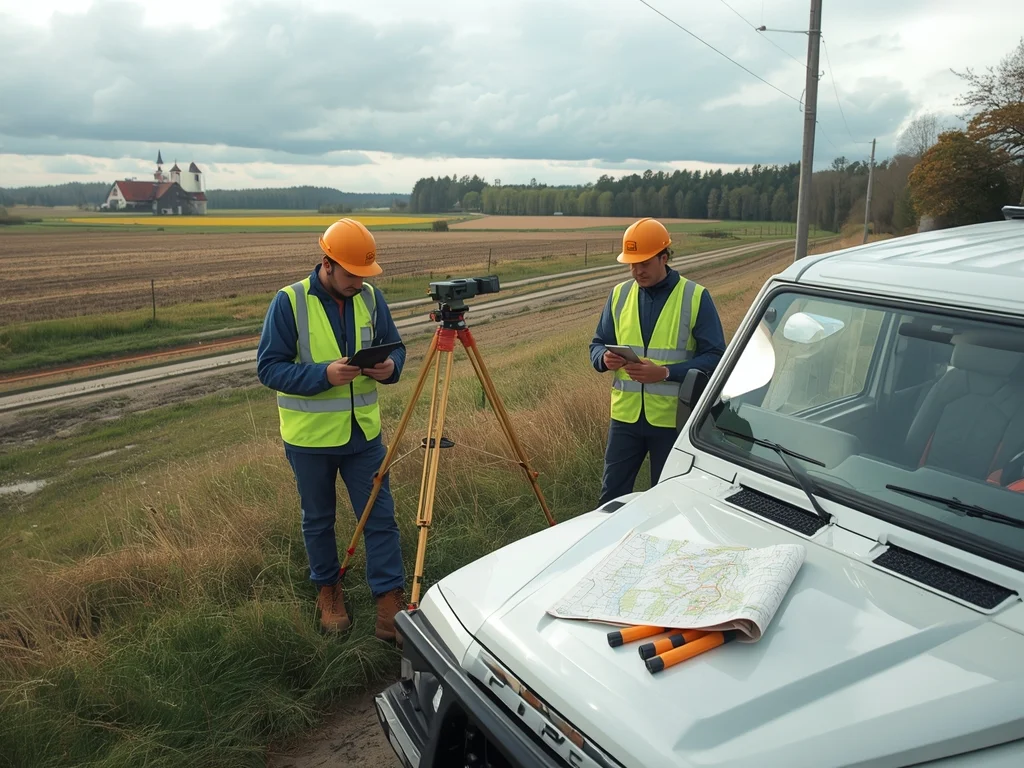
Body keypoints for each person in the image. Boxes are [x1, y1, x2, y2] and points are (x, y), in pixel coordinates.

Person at [256, 218, 407, 644]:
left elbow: (395, 345)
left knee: (379, 517)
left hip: (364, 437)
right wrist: (324, 375)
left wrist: (391, 366)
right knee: (319, 520)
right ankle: (329, 591)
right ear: (326, 263)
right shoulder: (289, 302)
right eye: (351, 274)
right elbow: (269, 368)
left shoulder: (371, 297)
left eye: (364, 275)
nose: (359, 282)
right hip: (310, 441)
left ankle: (388, 600)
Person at [590, 217, 726, 506]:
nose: (636, 271)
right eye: (632, 264)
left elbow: (716, 358)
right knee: (611, 499)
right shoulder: (619, 294)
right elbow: (597, 344)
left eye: (644, 263)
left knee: (667, 502)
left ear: (664, 257)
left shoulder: (695, 296)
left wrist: (665, 372)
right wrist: (604, 358)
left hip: (672, 421)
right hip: (625, 419)